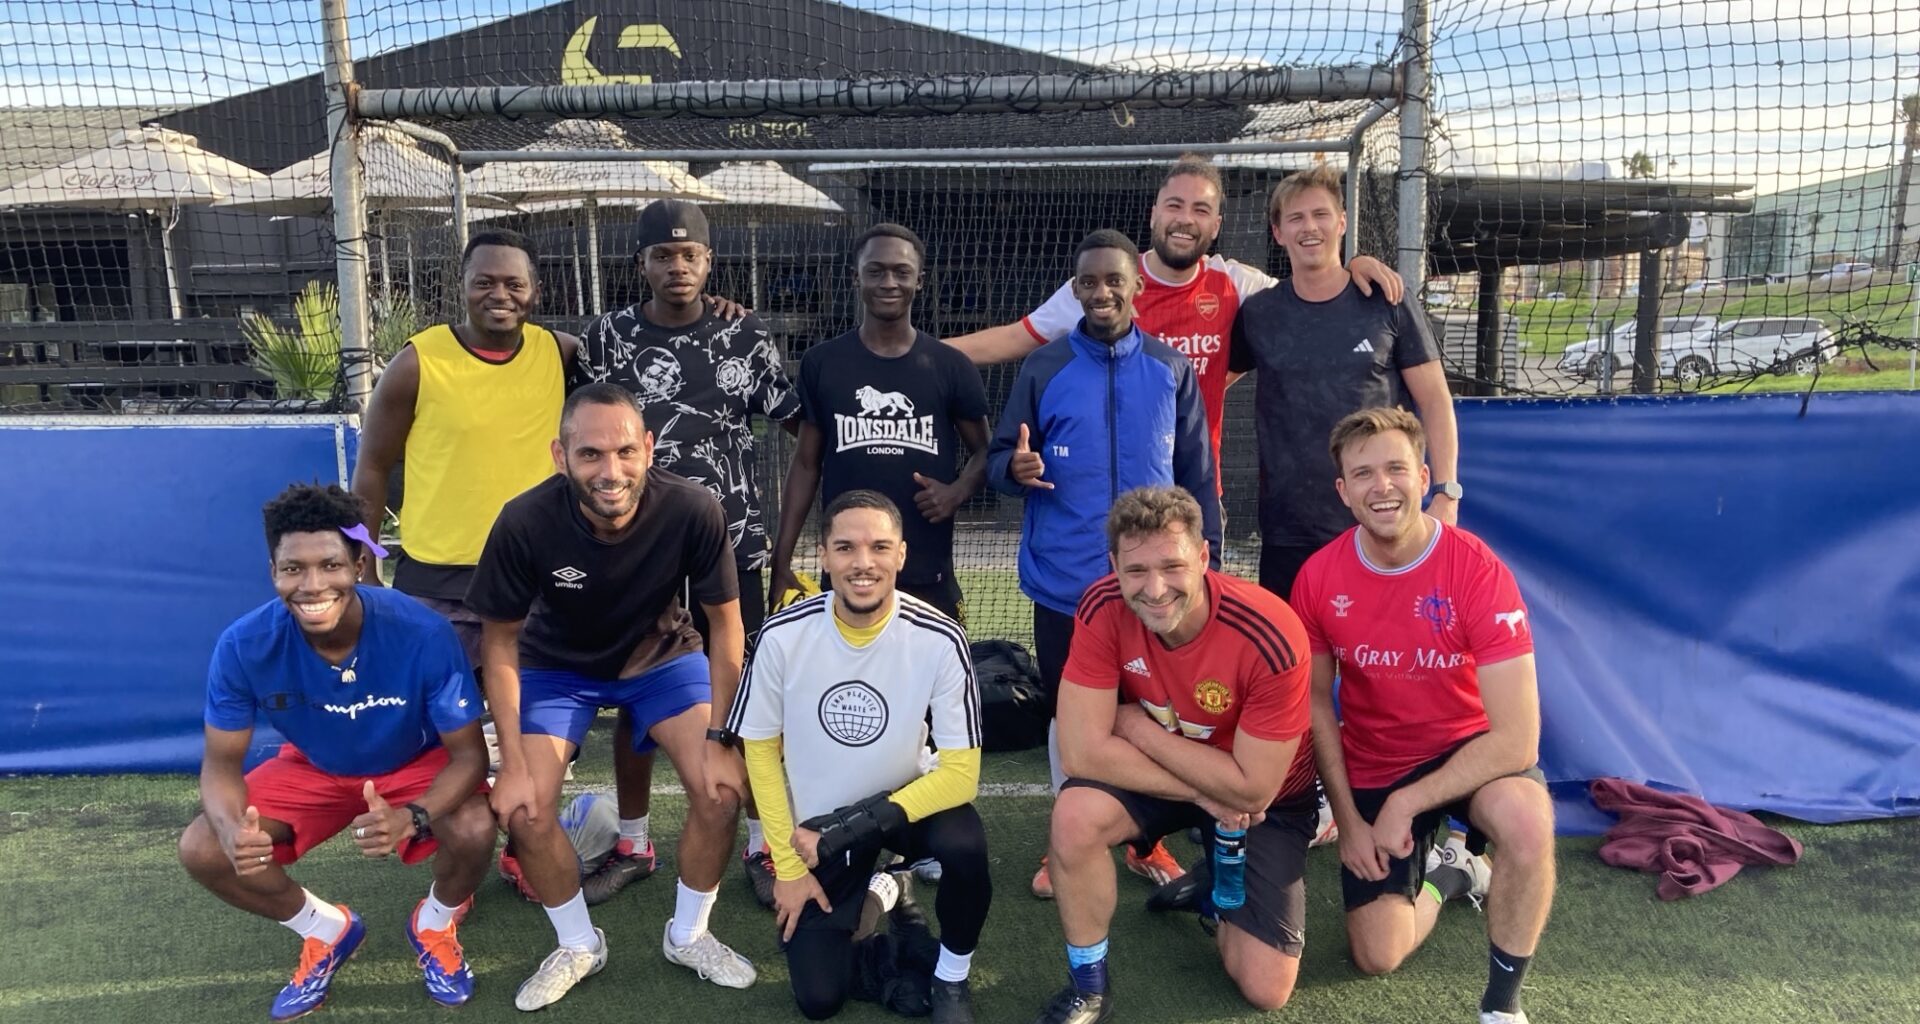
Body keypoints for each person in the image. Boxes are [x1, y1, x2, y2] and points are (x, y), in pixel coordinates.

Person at [466, 383, 757, 1010]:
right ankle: (578, 945)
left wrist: (723, 737)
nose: (611, 470)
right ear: (559, 454)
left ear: (649, 448)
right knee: (523, 809)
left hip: (660, 658)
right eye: (591, 454)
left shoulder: (694, 508)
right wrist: (513, 763)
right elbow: (500, 644)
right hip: (555, 667)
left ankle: (689, 935)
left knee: (722, 788)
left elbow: (727, 626)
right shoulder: (524, 520)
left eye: (625, 451)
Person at [178, 483, 496, 1020]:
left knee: (474, 828)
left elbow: (469, 757)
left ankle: (435, 922)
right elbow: (220, 763)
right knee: (205, 848)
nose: (312, 584)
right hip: (315, 768)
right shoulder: (243, 644)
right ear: (273, 571)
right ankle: (328, 930)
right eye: (292, 569)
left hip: (412, 764)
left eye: (330, 564)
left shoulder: (420, 631)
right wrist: (234, 830)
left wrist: (414, 816)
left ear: (357, 562)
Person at [1291, 407, 1554, 1024]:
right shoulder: (1318, 577)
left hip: (1471, 755)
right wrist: (1352, 822)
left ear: (1425, 476)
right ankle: (1452, 875)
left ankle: (1502, 1006)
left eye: (1395, 469)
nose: (1381, 487)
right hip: (1378, 760)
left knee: (1526, 822)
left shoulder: (1477, 569)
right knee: (1377, 955)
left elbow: (1518, 740)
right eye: (1363, 474)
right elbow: (1313, 705)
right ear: (1343, 491)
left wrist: (1408, 805)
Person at [576, 199, 803, 908]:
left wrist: (787, 534)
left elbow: (800, 426)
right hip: (634, 551)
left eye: (691, 255)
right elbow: (579, 430)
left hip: (733, 546)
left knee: (753, 697)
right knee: (635, 696)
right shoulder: (605, 338)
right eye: (663, 255)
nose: (678, 266)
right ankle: (635, 841)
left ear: (709, 262)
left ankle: (767, 847)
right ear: (640, 263)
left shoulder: (747, 334)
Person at [986, 229, 1222, 899]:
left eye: (1113, 280)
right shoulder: (1044, 366)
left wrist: (1212, 568)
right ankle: (1067, 840)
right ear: (1075, 288)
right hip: (1067, 586)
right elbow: (999, 460)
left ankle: (1143, 840)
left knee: (1151, 716)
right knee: (1073, 720)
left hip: (1156, 590)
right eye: (1088, 282)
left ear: (1137, 286)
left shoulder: (1172, 369)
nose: (1101, 293)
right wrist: (1016, 467)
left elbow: (1198, 481)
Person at [1032, 485, 1317, 1024]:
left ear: (1205, 557)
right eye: (1136, 570)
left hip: (1265, 804)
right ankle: (1088, 985)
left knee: (1265, 987)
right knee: (1075, 815)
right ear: (1114, 565)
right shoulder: (1100, 606)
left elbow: (1254, 788)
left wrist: (1135, 725)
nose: (1155, 589)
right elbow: (1080, 752)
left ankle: (1210, 887)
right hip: (1192, 784)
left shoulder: (1270, 632)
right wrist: (1200, 792)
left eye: (1172, 565)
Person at [950, 154, 1404, 477]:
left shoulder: (1235, 283)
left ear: (1217, 225)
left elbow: (1308, 293)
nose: (1186, 219)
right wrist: (924, 354)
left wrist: (1351, 267)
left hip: (1195, 487)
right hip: (1113, 485)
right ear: (1154, 214)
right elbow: (1015, 337)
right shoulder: (1108, 285)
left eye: (1201, 209)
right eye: (1175, 205)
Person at [728, 490, 990, 1023]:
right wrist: (785, 864)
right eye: (845, 548)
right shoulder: (781, 637)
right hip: (816, 829)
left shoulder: (941, 638)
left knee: (964, 844)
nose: (862, 563)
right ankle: (889, 888)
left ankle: (951, 978)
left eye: (879, 547)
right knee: (819, 999)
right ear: (823, 556)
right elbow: (759, 755)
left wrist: (848, 830)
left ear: (901, 555)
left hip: (902, 810)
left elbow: (961, 777)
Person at [1228, 164, 1460, 600]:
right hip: (1289, 530)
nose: (1309, 227)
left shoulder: (1386, 299)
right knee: (1296, 665)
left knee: (1385, 662)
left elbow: (1435, 401)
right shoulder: (1260, 314)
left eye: (1320, 215)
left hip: (1380, 521)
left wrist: (1447, 492)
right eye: (1295, 218)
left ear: (1342, 222)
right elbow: (1207, 384)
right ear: (1277, 232)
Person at [769, 223, 990, 624]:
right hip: (847, 571)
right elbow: (805, 464)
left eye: (901, 272)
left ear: (919, 281)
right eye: (876, 271)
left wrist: (957, 491)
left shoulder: (949, 365)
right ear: (856, 277)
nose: (889, 282)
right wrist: (780, 559)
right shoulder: (823, 363)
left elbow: (987, 451)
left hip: (928, 572)